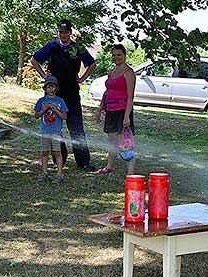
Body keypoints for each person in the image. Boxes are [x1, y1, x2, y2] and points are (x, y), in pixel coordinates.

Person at [30, 19, 97, 171]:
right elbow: (34, 61)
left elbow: (92, 64)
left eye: (66, 32)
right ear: (58, 32)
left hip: (72, 93)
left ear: (70, 32)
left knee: (76, 128)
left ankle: (83, 162)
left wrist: (82, 79)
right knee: (54, 127)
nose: (63, 34)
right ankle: (59, 160)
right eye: (61, 32)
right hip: (54, 95)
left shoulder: (78, 47)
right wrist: (44, 77)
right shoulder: (51, 46)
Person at [95, 44, 136, 175]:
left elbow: (130, 97)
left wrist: (126, 116)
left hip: (122, 110)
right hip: (110, 110)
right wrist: (100, 108)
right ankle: (109, 166)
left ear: (124, 56)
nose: (116, 57)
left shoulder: (128, 73)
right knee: (112, 140)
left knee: (126, 142)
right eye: (114, 55)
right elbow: (107, 92)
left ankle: (130, 173)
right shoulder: (111, 72)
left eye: (119, 55)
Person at [34, 76, 68, 183]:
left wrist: (56, 110)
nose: (51, 89)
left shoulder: (60, 101)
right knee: (44, 152)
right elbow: (36, 115)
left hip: (56, 132)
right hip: (44, 132)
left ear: (56, 88)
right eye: (49, 87)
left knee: (57, 152)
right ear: (45, 88)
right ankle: (44, 173)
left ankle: (59, 174)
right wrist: (43, 110)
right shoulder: (41, 101)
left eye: (53, 87)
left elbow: (64, 117)